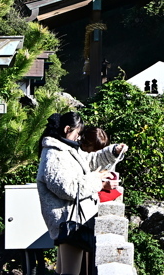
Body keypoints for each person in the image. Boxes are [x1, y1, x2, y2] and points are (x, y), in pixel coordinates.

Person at [36, 112, 128, 275]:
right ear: (67, 129)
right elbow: (68, 188)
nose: (79, 138)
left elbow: (90, 161)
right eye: (78, 133)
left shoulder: (66, 150)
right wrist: (99, 182)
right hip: (69, 221)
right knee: (70, 272)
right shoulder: (55, 154)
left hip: (72, 219)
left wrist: (113, 151)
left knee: (66, 271)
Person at [79, 127, 123, 202]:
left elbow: (95, 158)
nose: (95, 152)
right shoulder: (74, 153)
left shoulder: (85, 152)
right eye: (94, 149)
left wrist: (115, 151)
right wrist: (101, 184)